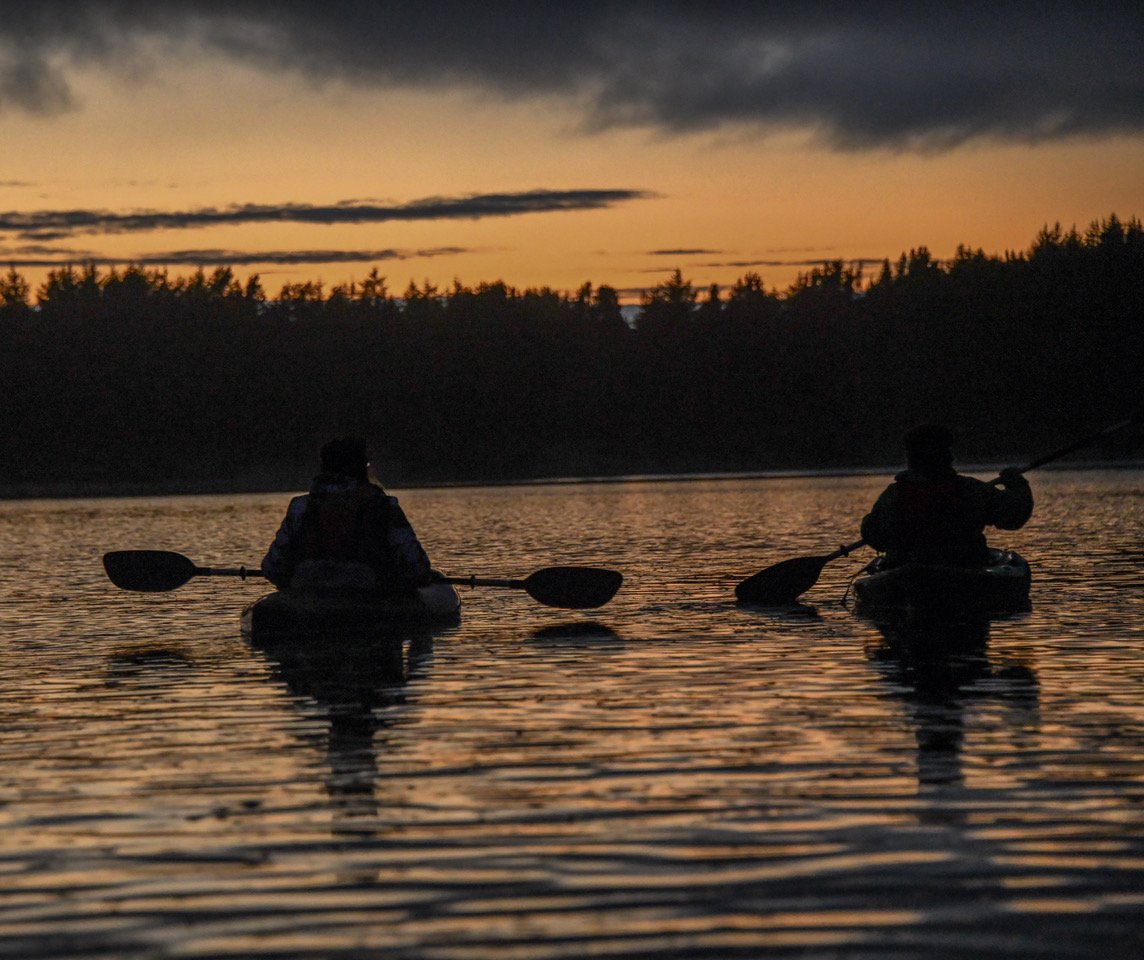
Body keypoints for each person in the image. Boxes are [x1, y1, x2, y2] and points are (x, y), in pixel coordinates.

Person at [261, 437, 435, 594]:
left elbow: (272, 567)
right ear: (361, 469)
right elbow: (417, 567)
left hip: (309, 592)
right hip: (369, 598)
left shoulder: (302, 507)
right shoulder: (383, 506)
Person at [860, 424, 1033, 566]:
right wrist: (1017, 484)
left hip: (906, 566)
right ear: (946, 457)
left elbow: (874, 534)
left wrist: (870, 524)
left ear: (911, 459)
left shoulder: (893, 495)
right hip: (964, 567)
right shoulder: (970, 490)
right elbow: (1013, 515)